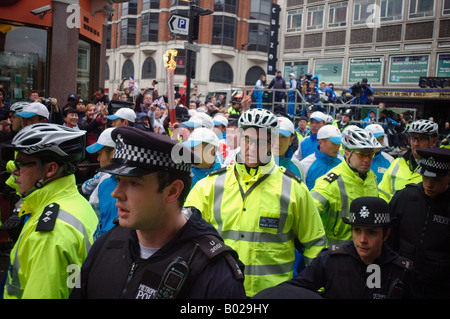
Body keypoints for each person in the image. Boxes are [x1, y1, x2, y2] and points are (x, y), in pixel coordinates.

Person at [70, 126, 246, 299]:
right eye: (119, 180)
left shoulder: (214, 274)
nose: (116, 193)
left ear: (172, 191)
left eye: (134, 183)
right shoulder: (106, 244)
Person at [184, 108, 326, 297]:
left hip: (272, 295)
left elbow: (315, 244)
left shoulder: (294, 189)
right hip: (220, 293)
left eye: (260, 142)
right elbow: (185, 239)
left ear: (272, 143)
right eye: (247, 139)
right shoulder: (209, 186)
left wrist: (313, 289)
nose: (251, 148)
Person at [1, 123, 98, 298]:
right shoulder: (75, 202)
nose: (15, 171)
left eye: (21, 164)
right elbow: (72, 280)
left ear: (50, 169)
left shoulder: (48, 236)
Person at [255, 197, 420, 299]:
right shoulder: (331, 260)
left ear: (386, 234)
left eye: (371, 232)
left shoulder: (401, 271)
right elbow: (293, 289)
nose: (362, 240)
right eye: (357, 230)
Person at [389, 147, 450, 299]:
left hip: (440, 288)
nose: (429, 184)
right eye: (425, 177)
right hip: (402, 282)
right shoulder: (404, 198)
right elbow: (387, 240)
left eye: (436, 180)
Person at [310, 126, 380, 246]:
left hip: (365, 251)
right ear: (347, 154)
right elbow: (309, 212)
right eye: (361, 155)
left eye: (371, 155)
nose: (367, 160)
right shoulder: (330, 182)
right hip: (336, 254)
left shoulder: (371, 177)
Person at [378, 119, 438, 202]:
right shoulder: (397, 162)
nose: (416, 143)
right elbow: (382, 192)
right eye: (413, 138)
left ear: (434, 141)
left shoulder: (438, 168)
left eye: (422, 139)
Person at [84, 127, 117, 240]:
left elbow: (93, 219)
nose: (98, 159)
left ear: (112, 154)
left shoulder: (105, 181)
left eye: (99, 153)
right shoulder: (140, 181)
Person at [300, 125, 343, 190]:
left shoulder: (343, 163)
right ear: (320, 142)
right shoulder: (305, 165)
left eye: (339, 143)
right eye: (334, 143)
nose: (337, 147)